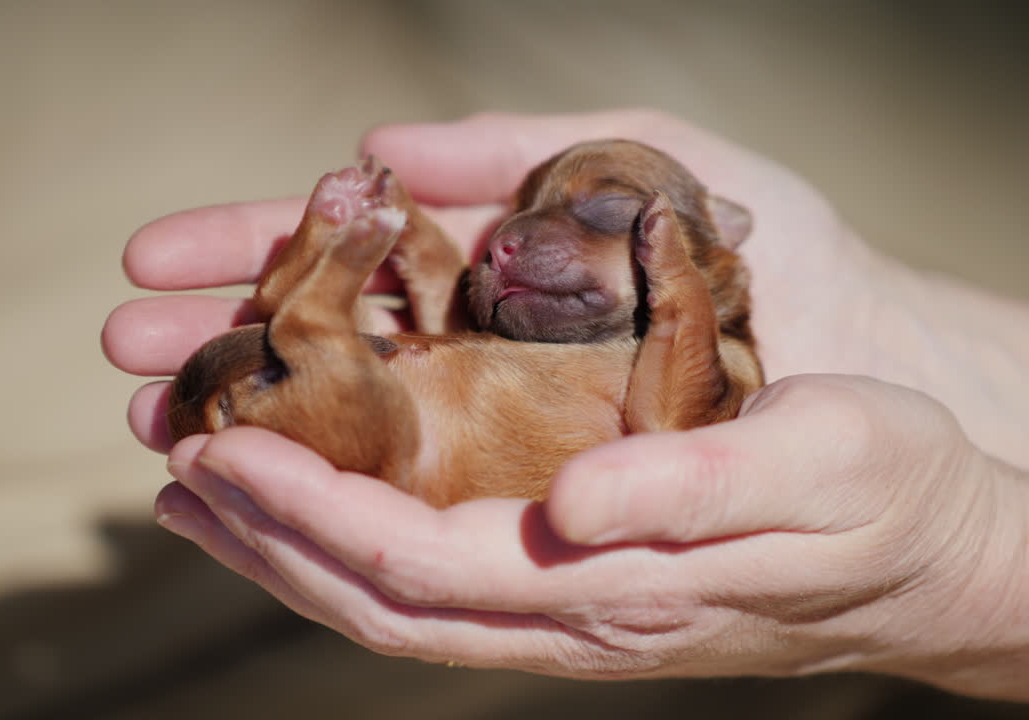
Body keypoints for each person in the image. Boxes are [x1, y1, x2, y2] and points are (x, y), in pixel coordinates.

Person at [101, 110, 1029, 702]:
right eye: (515, 224)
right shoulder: (548, 334)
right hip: (352, 390)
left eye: (604, 210)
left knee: (334, 366)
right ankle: (317, 286)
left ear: (720, 238)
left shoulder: (732, 373)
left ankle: (317, 294)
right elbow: (458, 348)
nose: (511, 244)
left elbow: (671, 425)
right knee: (332, 351)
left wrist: (680, 292)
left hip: (376, 419)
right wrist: (425, 251)